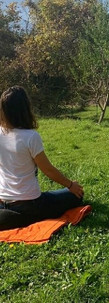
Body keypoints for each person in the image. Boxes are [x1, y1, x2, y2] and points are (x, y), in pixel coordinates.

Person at [0, 86, 84, 230]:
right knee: (76, 196)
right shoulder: (30, 137)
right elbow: (48, 170)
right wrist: (71, 185)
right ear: (25, 109)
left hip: (3, 201)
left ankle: (9, 216)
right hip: (30, 204)